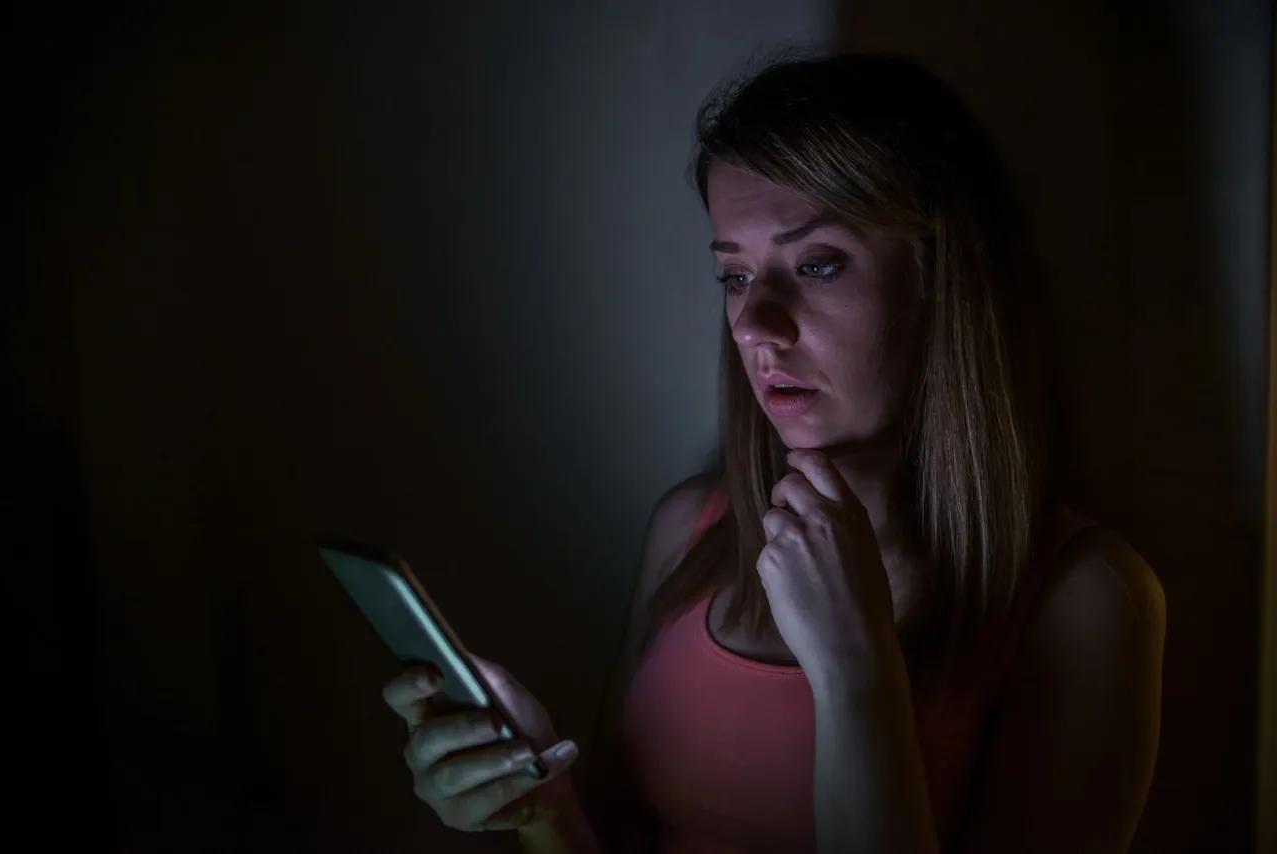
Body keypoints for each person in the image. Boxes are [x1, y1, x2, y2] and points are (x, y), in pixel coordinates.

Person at [380, 51, 1167, 854]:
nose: (757, 324)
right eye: (734, 276)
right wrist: (544, 806)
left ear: (942, 280)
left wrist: (856, 674)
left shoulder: (1086, 599)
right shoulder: (690, 529)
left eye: (817, 265)